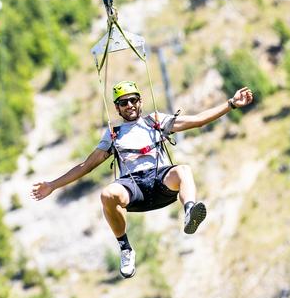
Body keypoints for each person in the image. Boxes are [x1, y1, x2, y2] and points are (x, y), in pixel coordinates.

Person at [31, 80, 254, 279]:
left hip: (160, 180)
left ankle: (189, 212)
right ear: (117, 108)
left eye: (133, 100)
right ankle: (125, 248)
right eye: (124, 102)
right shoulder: (113, 135)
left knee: (183, 170)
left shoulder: (155, 121)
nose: (129, 106)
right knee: (107, 194)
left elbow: (197, 121)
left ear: (140, 102)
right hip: (132, 187)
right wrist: (52, 185)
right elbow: (86, 166)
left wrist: (231, 104)